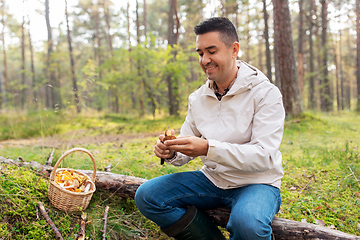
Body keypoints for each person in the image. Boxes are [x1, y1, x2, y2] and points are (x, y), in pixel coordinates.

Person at [135, 17, 285, 240]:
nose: (205, 60)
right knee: (147, 195)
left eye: (211, 51)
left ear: (234, 49)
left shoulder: (266, 94)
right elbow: (187, 142)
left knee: (248, 224)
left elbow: (263, 157)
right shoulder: (198, 98)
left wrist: (207, 148)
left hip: (257, 183)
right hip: (212, 180)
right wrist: (172, 151)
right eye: (200, 53)